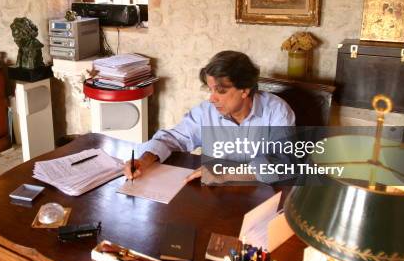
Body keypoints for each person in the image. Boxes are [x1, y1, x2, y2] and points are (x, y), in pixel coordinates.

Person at [123, 50, 295, 183]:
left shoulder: (277, 111)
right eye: (210, 89)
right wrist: (144, 159)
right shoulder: (207, 111)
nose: (212, 98)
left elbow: (282, 162)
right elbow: (173, 138)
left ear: (245, 89)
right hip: (215, 196)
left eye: (220, 91)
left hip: (262, 198)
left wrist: (226, 174)